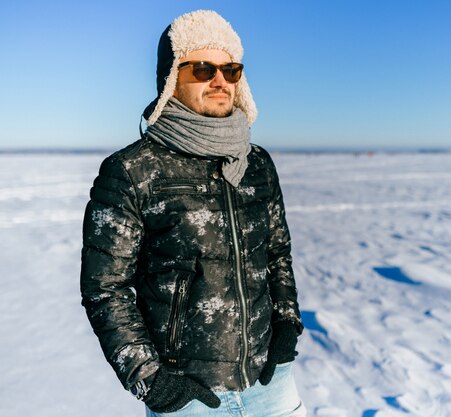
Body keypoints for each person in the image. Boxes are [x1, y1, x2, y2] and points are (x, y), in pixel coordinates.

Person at [80, 10, 306, 416]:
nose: (220, 80)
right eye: (202, 69)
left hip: (270, 383)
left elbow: (277, 254)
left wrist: (286, 328)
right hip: (188, 397)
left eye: (231, 70)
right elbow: (105, 288)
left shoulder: (256, 163)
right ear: (171, 79)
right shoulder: (133, 170)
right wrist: (152, 380)